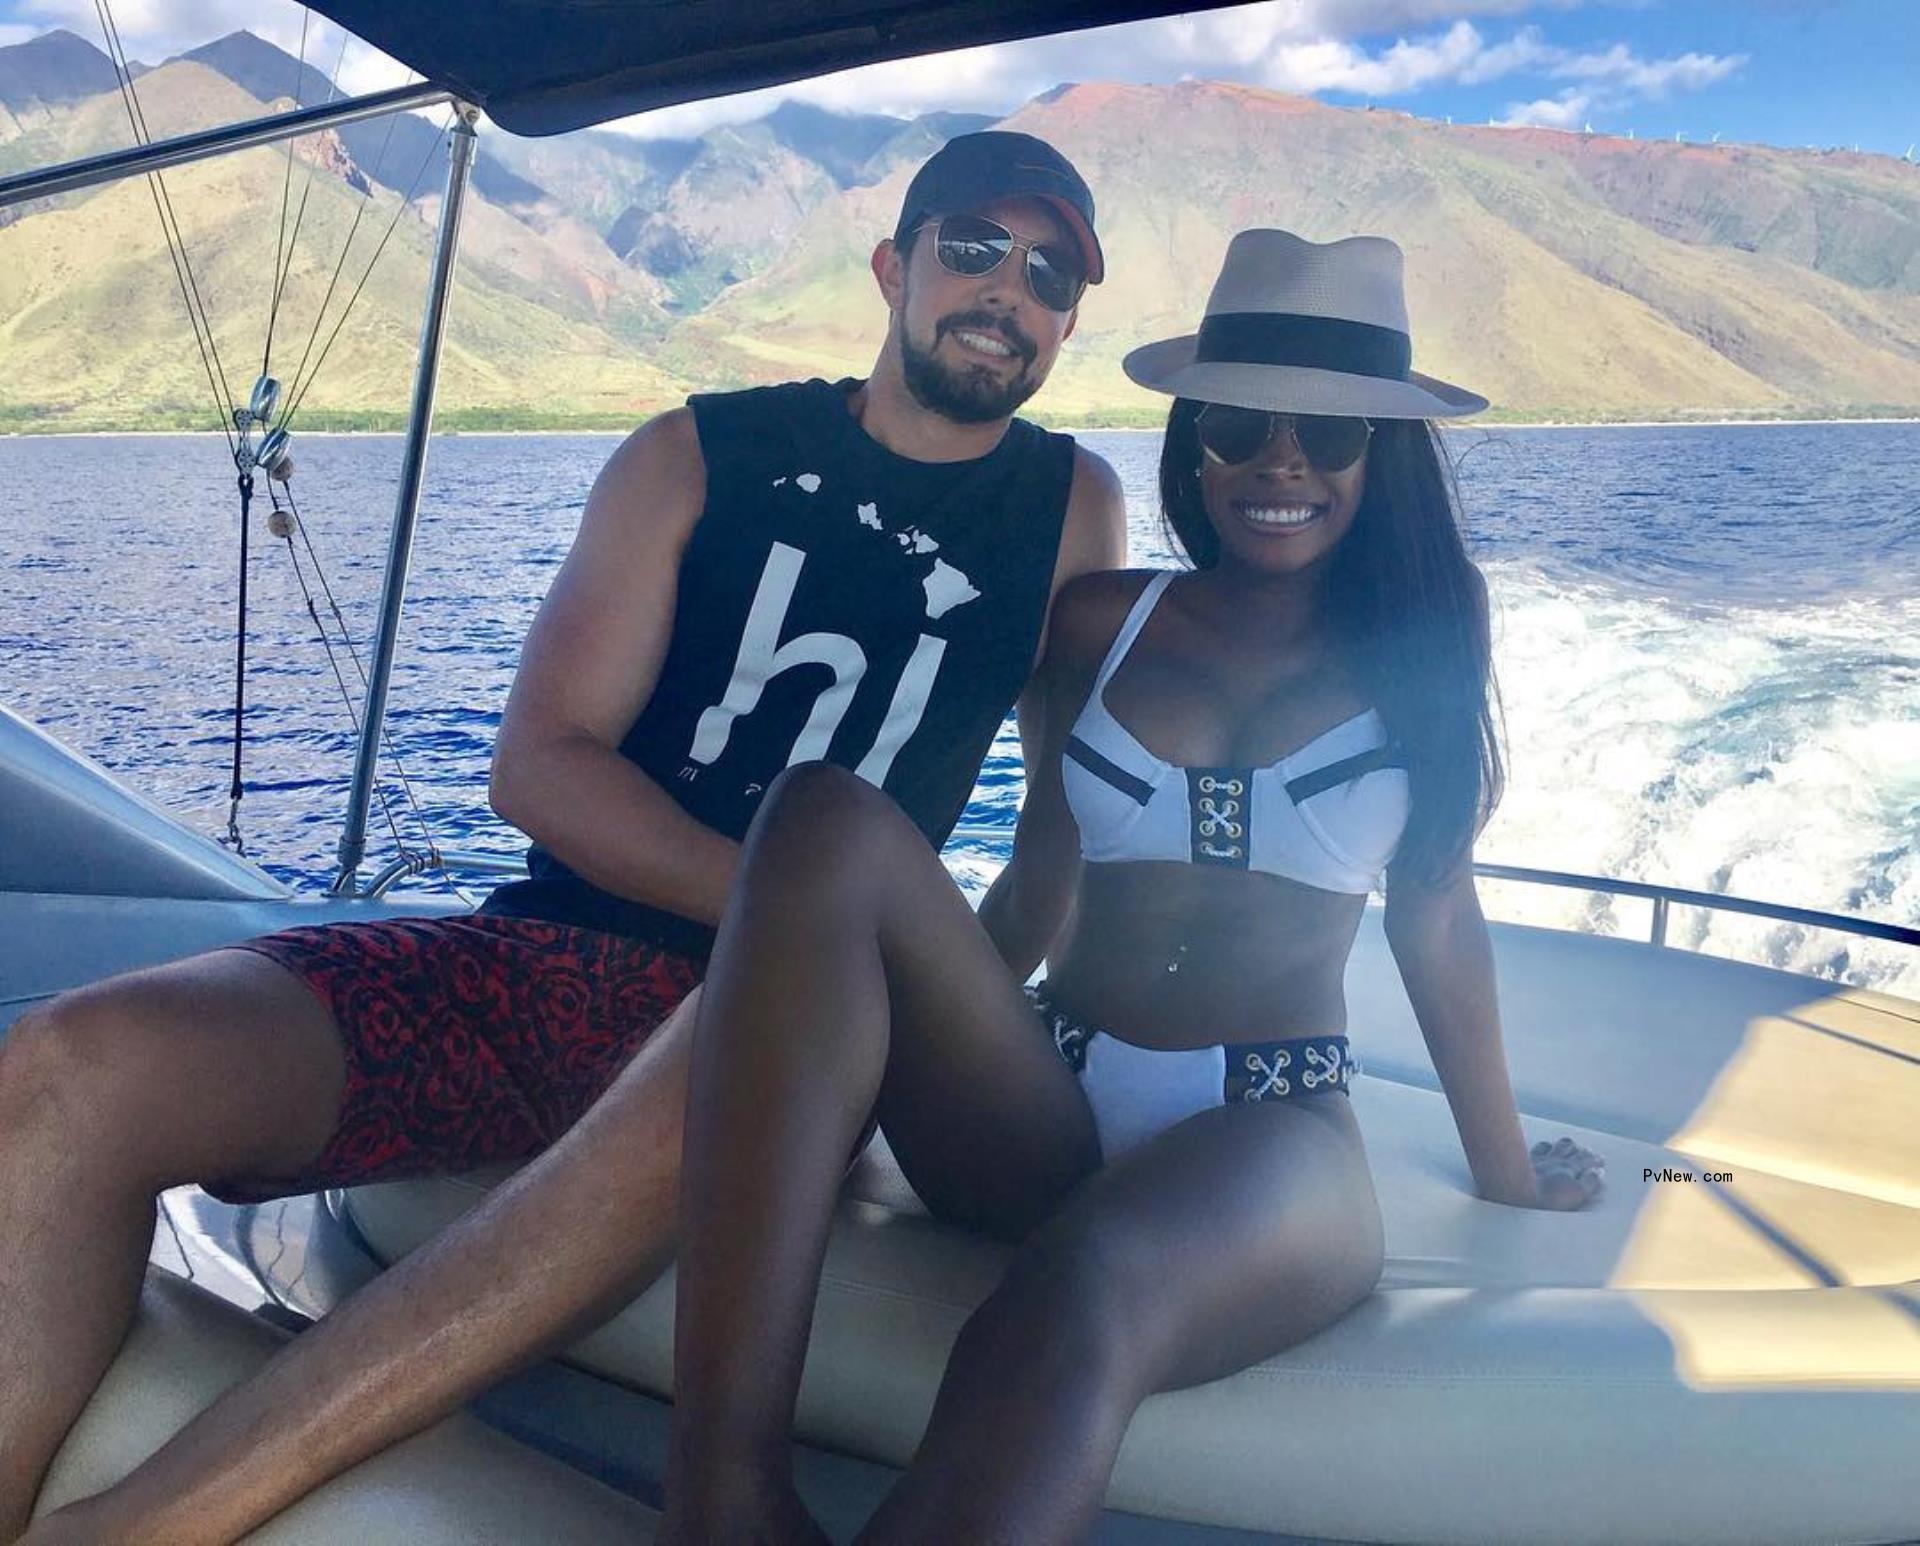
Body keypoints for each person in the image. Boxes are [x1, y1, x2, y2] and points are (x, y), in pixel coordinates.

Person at [0, 130, 1127, 1543]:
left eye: (1051, 275)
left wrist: (934, 1005)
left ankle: (136, 1528)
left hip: (801, 1044)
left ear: (1068, 322)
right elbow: (541, 765)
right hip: (542, 960)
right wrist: (792, 918)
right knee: (75, 1061)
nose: (1009, 290)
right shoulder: (698, 456)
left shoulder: (1072, 509)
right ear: (894, 267)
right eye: (974, 248)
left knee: (735, 1045)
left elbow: (1065, 830)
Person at [661, 229, 1606, 1545]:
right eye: (1240, 423)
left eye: (1330, 433)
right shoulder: (1103, 619)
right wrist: (865, 1078)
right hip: (1050, 1094)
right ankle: (723, 1497)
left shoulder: (1426, 646)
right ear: (1196, 441)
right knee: (820, 816)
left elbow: (1436, 914)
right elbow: (1034, 885)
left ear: (1383, 454)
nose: (1281, 461)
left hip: (1270, 1128)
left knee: (1076, 1293)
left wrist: (1506, 1171)